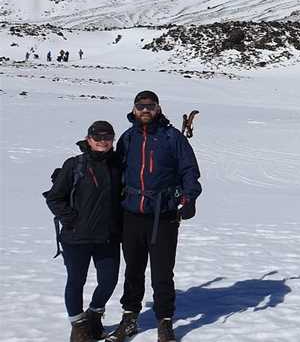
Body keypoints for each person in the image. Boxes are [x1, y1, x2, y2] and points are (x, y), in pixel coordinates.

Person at [107, 91, 202, 342]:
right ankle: (130, 317)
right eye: (141, 106)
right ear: (134, 109)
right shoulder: (128, 138)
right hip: (132, 214)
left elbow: (189, 169)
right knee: (133, 269)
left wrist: (189, 198)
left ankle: (165, 320)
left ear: (158, 108)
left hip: (165, 214)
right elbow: (115, 172)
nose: (145, 110)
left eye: (150, 106)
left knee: (162, 272)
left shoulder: (172, 138)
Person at [44, 121, 123, 342]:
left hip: (107, 237)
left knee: (109, 280)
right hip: (76, 237)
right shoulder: (75, 165)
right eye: (97, 138)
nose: (102, 142)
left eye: (107, 137)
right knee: (76, 281)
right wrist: (73, 220)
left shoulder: (117, 166)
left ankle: (95, 314)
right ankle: (78, 327)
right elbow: (54, 198)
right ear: (88, 139)